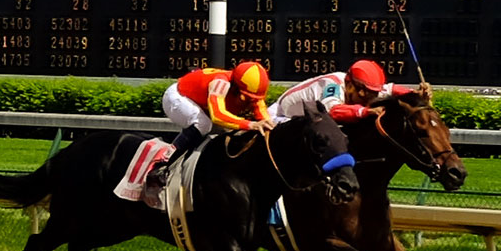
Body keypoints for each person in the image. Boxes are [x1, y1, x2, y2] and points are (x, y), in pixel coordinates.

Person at [148, 61, 275, 190]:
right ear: (235, 87)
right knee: (204, 124)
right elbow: (217, 115)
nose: (248, 104)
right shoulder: (221, 83)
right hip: (177, 97)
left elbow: (262, 114)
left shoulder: (250, 90)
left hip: (199, 103)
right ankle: (163, 163)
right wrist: (250, 124)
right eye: (245, 99)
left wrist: (268, 125)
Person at [267, 59, 429, 124]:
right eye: (365, 95)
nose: (368, 99)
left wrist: (416, 94)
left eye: (372, 94)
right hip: (280, 116)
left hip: (307, 117)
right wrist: (365, 111)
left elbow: (391, 89)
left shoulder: (364, 89)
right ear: (350, 85)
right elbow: (333, 111)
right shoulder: (333, 86)